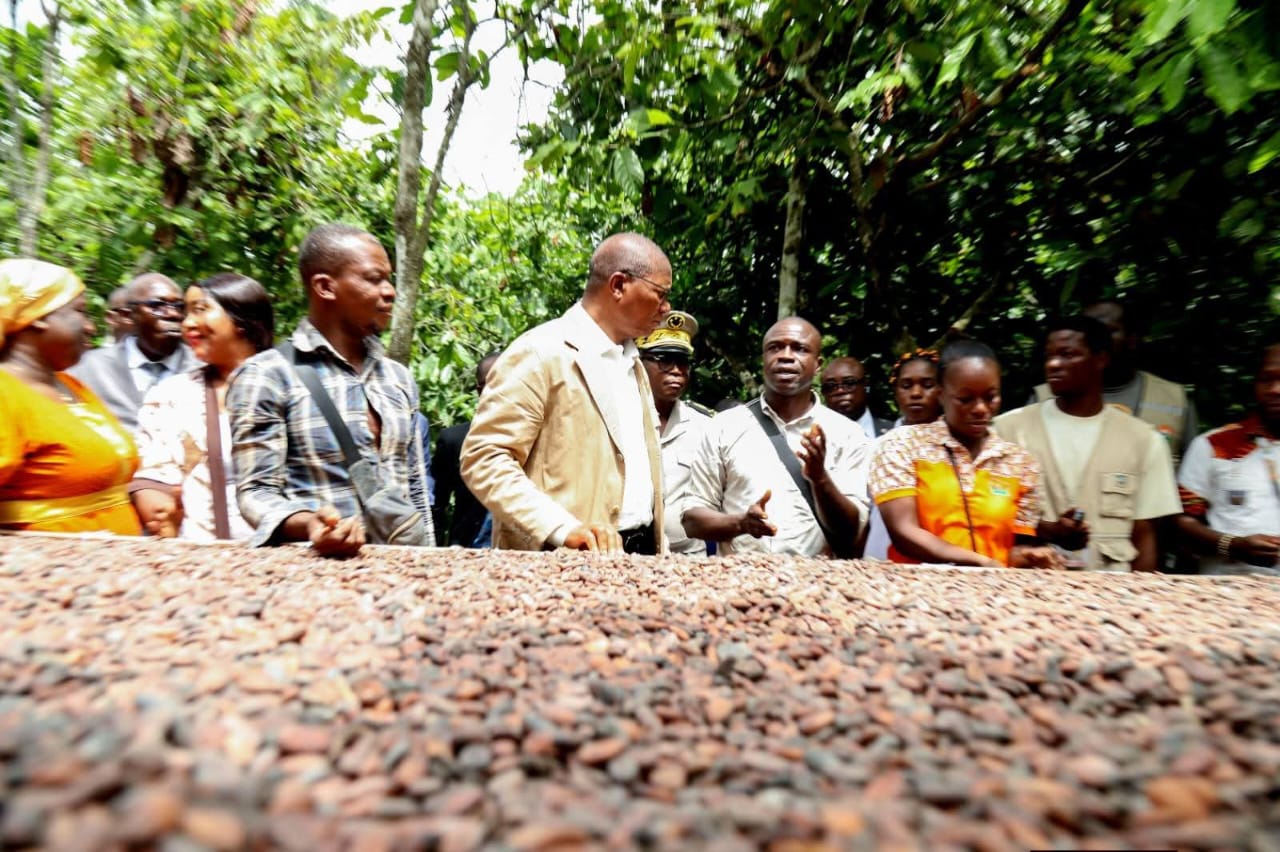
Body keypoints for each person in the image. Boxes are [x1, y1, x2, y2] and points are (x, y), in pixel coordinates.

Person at [228, 224, 433, 556]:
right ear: (325, 287)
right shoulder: (267, 375)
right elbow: (256, 492)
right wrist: (310, 524)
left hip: (401, 570)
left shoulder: (398, 378)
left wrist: (429, 559)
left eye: (389, 279)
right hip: (316, 572)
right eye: (374, 279)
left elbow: (416, 488)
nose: (390, 291)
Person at [460, 232, 668, 554]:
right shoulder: (539, 352)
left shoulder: (634, 363)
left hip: (638, 555)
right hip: (559, 558)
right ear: (618, 285)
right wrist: (561, 527)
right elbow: (484, 457)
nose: (666, 308)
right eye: (660, 294)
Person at [997, 317, 1180, 572]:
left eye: (1068, 354)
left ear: (1100, 360)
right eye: (1049, 356)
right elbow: (985, 517)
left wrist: (1144, 592)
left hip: (1111, 587)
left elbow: (1144, 535)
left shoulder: (1144, 441)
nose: (1053, 364)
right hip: (1029, 584)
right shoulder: (1007, 430)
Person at [681, 317, 870, 557]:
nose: (786, 356)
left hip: (818, 578)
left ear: (818, 364)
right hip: (741, 577)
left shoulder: (847, 434)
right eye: (775, 348)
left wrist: (820, 479)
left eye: (800, 349)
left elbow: (852, 533)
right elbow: (692, 520)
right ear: (764, 359)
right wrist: (740, 524)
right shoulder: (725, 427)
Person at [869, 340, 1059, 568]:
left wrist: (1032, 556)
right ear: (940, 394)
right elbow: (904, 532)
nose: (980, 409)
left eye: (990, 397)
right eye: (966, 399)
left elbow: (1015, 549)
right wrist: (978, 561)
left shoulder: (1020, 463)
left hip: (995, 587)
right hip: (917, 585)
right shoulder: (902, 445)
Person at [0, 258, 141, 535]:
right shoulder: (5, 393)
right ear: (38, 317)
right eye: (80, 312)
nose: (90, 327)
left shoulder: (69, 384)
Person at [130, 273, 275, 541]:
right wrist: (160, 510)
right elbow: (155, 473)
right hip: (207, 553)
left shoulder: (294, 386)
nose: (187, 323)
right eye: (187, 313)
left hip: (293, 552)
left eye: (200, 310)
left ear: (241, 320)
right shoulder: (172, 395)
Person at [1032, 299, 1197, 464]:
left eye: (1106, 331)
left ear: (1132, 339)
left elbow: (1194, 474)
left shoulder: (1174, 399)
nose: (1096, 340)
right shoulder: (1042, 398)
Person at [1175, 344, 1280, 576]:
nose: (1275, 389)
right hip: (1226, 590)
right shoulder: (1214, 445)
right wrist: (1234, 546)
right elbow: (1181, 523)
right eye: (1267, 379)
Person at [69, 272, 197, 432]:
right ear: (128, 315)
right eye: (157, 305)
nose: (173, 314)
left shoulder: (207, 369)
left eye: (179, 306)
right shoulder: (87, 369)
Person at [637, 310, 713, 555]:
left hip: (688, 558)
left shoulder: (706, 427)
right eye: (665, 360)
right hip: (628, 556)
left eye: (683, 362)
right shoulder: (619, 420)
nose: (677, 370)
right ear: (639, 363)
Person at [862, 349, 943, 560]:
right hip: (881, 560)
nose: (916, 393)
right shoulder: (876, 447)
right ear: (896, 392)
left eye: (927, 385)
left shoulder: (957, 449)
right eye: (906, 386)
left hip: (945, 560)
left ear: (943, 390)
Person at [432, 350, 501, 547]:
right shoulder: (454, 440)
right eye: (495, 384)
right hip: (466, 546)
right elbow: (437, 504)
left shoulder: (535, 439)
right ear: (480, 391)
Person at [821, 356, 892, 438]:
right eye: (831, 386)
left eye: (849, 383)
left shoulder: (893, 432)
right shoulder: (815, 437)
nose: (840, 391)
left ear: (865, 385)